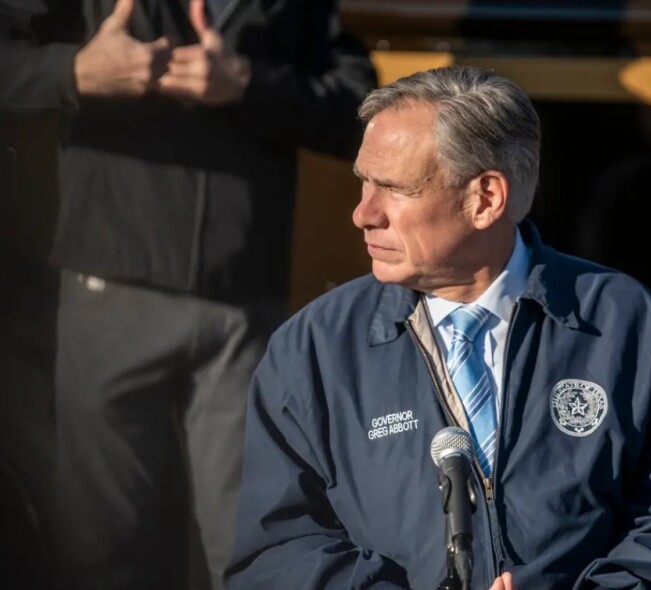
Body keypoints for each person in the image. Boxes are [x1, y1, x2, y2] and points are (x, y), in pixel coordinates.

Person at [226, 66, 651, 590]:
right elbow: (277, 552)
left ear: (485, 198)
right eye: (363, 181)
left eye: (393, 188)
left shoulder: (624, 324)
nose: (363, 213)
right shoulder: (316, 348)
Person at [0, 0, 375, 588]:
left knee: (258, 546)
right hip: (110, 289)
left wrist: (248, 83)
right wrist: (74, 71)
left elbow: (359, 109)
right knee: (103, 554)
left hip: (244, 312)